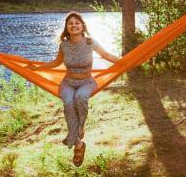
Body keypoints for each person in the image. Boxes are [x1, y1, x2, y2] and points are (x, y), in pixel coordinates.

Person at [29, 12, 119, 166]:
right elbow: (56, 63)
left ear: (82, 26)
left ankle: (79, 128)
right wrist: (37, 68)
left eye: (77, 22)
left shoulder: (90, 42)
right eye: (70, 23)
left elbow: (106, 55)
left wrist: (127, 62)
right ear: (67, 27)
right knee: (69, 103)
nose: (74, 25)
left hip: (87, 82)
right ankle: (78, 143)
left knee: (80, 98)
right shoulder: (64, 45)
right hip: (68, 83)